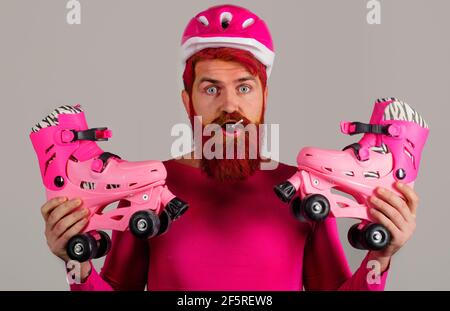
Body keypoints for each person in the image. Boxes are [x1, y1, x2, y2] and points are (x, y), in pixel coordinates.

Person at [40, 4, 419, 291]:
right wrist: (78, 266)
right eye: (210, 89)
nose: (229, 106)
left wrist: (380, 256)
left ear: (264, 97)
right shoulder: (144, 189)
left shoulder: (303, 187)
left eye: (244, 86)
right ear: (187, 101)